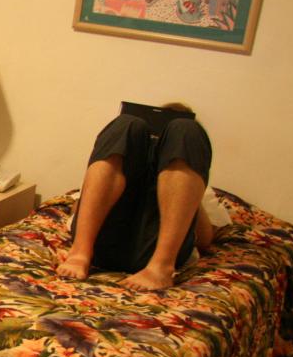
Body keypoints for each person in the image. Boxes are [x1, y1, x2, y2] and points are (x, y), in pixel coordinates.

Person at [56, 105, 229, 291]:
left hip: (155, 248)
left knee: (187, 130)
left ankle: (161, 267)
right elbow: (75, 212)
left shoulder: (194, 183)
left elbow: (204, 239)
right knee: (127, 123)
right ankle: (80, 253)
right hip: (102, 243)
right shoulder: (109, 168)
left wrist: (188, 197)